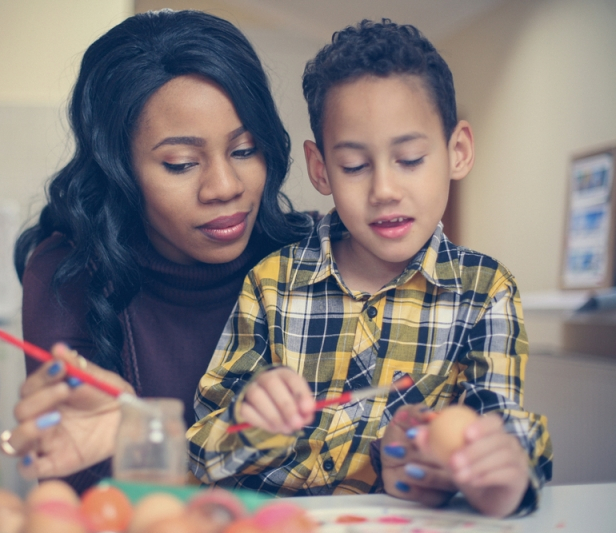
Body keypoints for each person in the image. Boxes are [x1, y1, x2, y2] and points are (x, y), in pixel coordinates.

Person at [187, 19, 552, 518]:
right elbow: (203, 448)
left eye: (409, 158)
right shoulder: (272, 284)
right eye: (355, 167)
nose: (383, 189)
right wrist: (252, 421)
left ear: (457, 151)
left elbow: (501, 427)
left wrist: (499, 473)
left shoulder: (485, 293)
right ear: (321, 170)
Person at [0, 9, 313, 494]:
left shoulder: (312, 259)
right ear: (118, 169)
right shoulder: (67, 273)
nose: (225, 187)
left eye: (245, 150)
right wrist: (117, 440)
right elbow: (77, 492)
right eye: (181, 164)